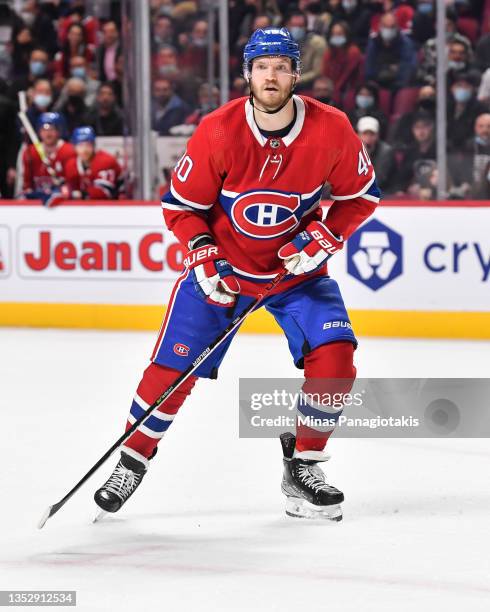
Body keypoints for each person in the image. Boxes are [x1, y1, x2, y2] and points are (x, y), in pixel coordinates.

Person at [94, 27, 380, 522]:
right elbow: (182, 208)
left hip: (295, 274)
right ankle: (132, 458)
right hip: (224, 272)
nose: (271, 75)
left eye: (281, 66)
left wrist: (324, 238)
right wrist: (204, 255)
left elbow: (362, 195)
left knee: (336, 360)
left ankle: (304, 466)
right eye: (262, 66)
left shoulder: (331, 128)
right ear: (248, 73)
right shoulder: (219, 130)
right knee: (169, 372)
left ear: (296, 73)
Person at [20, 112, 75, 206]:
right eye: (44, 129)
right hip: (38, 201)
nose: (48, 133)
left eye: (52, 129)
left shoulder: (69, 151)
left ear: (59, 131)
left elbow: (73, 183)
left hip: (64, 203)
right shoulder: (30, 152)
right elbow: (27, 185)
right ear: (39, 131)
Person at [64, 126, 122, 200]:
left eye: (88, 145)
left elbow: (104, 192)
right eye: (80, 145)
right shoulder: (71, 165)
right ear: (74, 147)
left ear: (94, 145)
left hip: (115, 206)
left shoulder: (105, 161)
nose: (84, 150)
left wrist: (77, 194)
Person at [364, 11, 417, 92]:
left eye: (391, 27)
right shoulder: (373, 42)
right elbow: (370, 65)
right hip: (376, 83)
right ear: (380, 26)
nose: (388, 30)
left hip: (398, 85)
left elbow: (407, 67)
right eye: (385, 26)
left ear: (397, 27)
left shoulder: (406, 43)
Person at [321, 20, 362, 103]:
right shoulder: (329, 51)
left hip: (349, 88)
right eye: (334, 34)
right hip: (332, 87)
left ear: (346, 35)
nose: (336, 37)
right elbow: (325, 73)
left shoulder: (353, 51)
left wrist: (333, 92)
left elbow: (345, 77)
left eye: (339, 34)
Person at [396, 114, 435, 195]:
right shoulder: (410, 152)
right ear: (413, 130)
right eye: (417, 128)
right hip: (413, 198)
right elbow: (402, 177)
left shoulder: (439, 150)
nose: (421, 131)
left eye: (424, 127)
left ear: (431, 127)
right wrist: (404, 189)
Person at [357, 116, 396, 193]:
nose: (368, 137)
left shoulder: (386, 152)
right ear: (358, 135)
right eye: (365, 133)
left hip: (383, 193)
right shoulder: (351, 150)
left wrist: (367, 156)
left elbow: (379, 179)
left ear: (377, 135)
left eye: (372, 134)